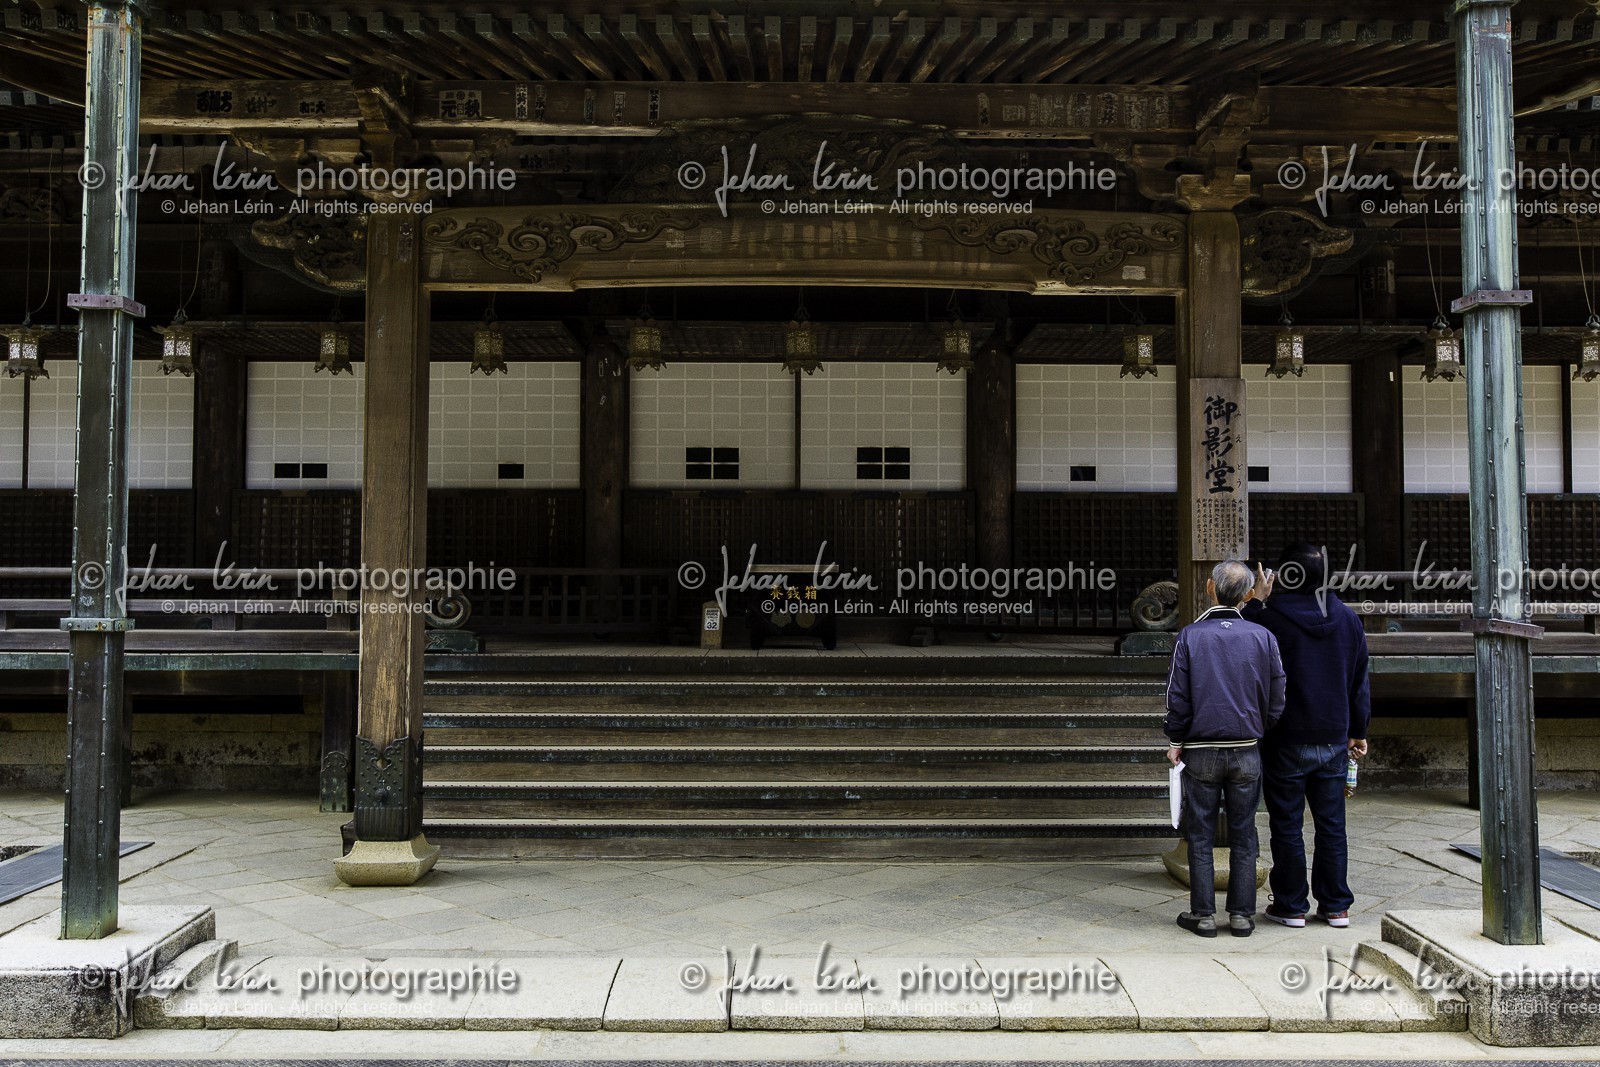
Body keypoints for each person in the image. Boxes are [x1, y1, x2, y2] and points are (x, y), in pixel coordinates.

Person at [1243, 543, 1372, 930]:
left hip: (1286, 734)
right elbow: (1359, 680)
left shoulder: (1270, 618)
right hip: (1334, 734)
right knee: (1332, 825)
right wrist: (1358, 730)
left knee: (1286, 823)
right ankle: (1336, 906)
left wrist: (1256, 600)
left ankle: (1291, 905)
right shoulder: (1347, 619)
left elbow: (1243, 642)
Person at [1164, 560, 1287, 938]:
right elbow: (1278, 693)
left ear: (1209, 588)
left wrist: (1175, 740)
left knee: (1200, 832)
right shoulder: (1263, 636)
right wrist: (1261, 725)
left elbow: (1177, 696)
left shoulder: (1190, 636)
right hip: (1247, 747)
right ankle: (1241, 916)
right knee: (1245, 833)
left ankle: (1202, 914)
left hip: (1201, 748)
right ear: (1248, 595)